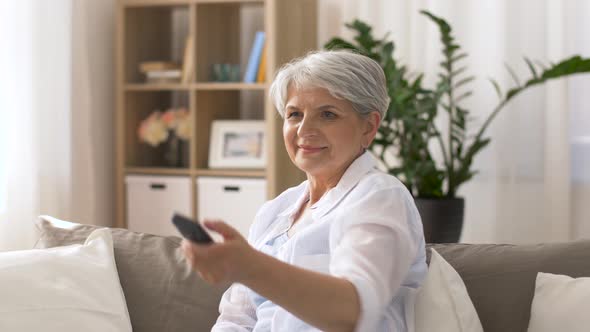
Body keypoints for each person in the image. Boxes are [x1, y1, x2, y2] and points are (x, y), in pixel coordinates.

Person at [181, 50, 427, 332]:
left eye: (328, 115)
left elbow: (353, 313)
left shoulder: (380, 196)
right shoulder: (275, 211)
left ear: (368, 127)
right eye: (294, 114)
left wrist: (250, 267)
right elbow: (236, 319)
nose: (304, 130)